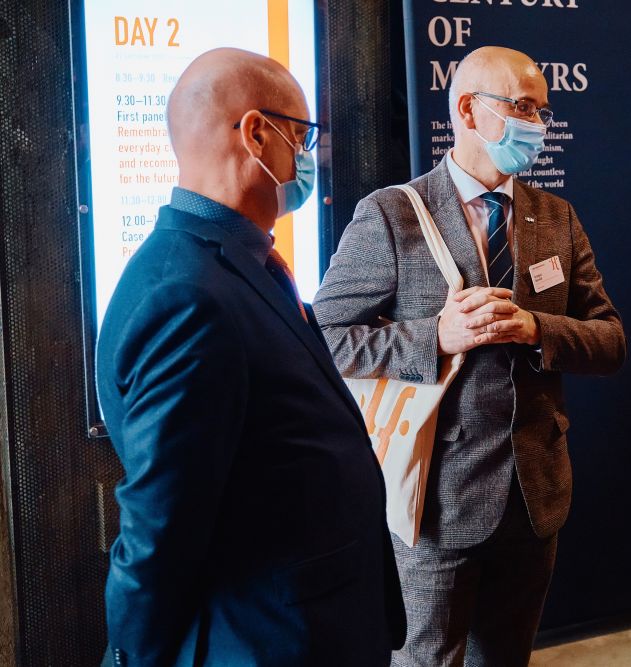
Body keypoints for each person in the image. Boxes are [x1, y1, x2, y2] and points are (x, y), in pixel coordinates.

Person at [313, 46, 625, 666]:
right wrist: (435, 338)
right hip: (436, 501)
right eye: (523, 108)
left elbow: (610, 340)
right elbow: (324, 339)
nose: (538, 124)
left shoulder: (555, 217)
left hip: (535, 496)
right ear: (467, 109)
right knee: (426, 659)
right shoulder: (391, 215)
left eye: (543, 110)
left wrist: (537, 329)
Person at [95, 48, 405, 666]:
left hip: (317, 624)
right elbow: (159, 531)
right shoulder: (186, 296)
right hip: (272, 642)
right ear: (257, 133)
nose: (308, 155)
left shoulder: (236, 264)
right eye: (302, 134)